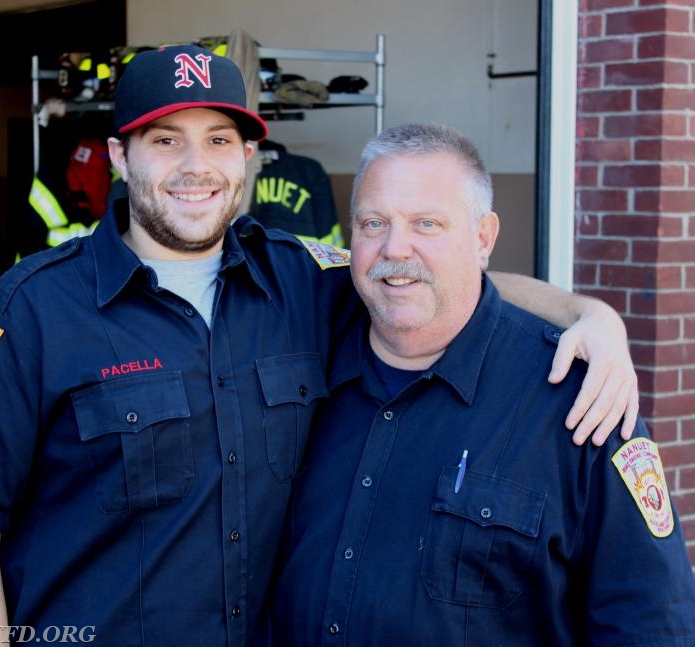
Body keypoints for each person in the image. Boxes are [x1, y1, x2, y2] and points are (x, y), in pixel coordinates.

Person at [0, 47, 635, 647]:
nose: (197, 166)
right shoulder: (34, 306)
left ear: (249, 156)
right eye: (166, 141)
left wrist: (588, 311)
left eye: (219, 140)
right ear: (122, 158)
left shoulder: (296, 277)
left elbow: (425, 274)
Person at [270, 123, 695, 646]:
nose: (394, 247)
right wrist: (589, 309)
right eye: (373, 222)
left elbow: (649, 621)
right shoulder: (301, 355)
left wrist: (595, 316)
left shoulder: (579, 401)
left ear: (483, 237)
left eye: (427, 223)